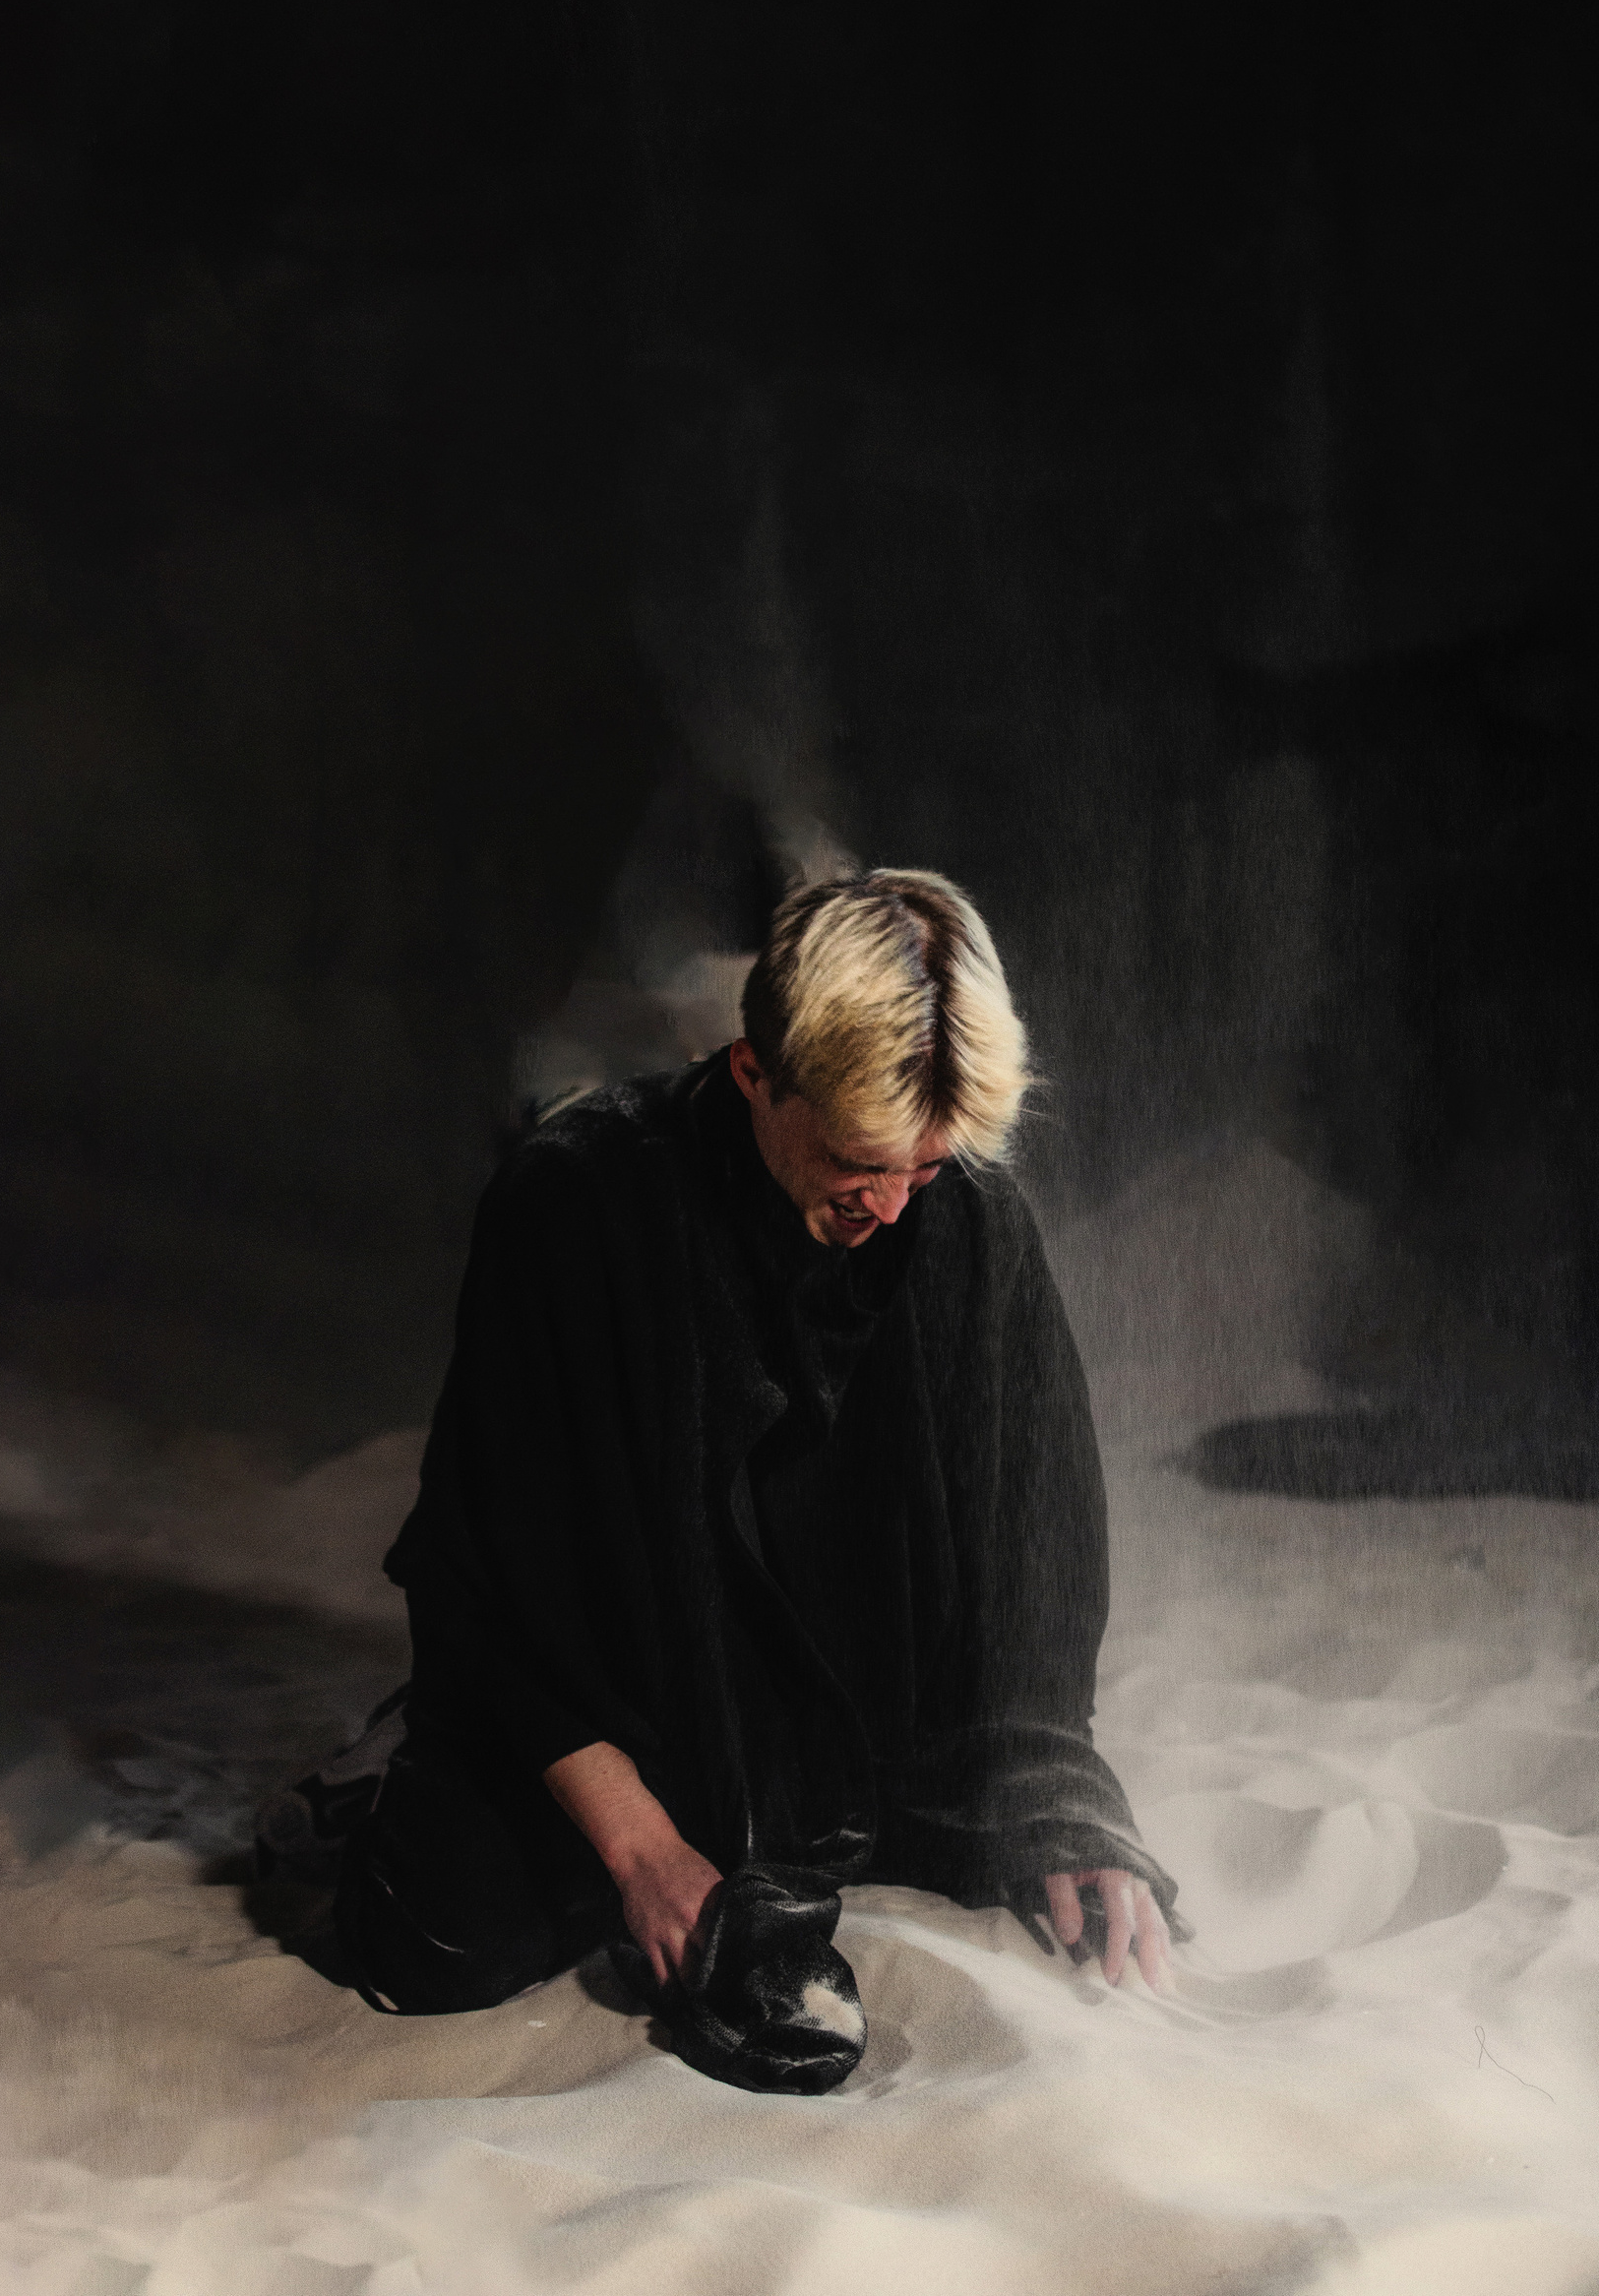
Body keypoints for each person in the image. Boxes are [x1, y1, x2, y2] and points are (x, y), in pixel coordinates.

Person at [257, 868, 1179, 2090]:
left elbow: (1036, 1543)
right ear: (755, 1074)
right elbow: (477, 1564)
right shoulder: (572, 1201)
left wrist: (1062, 1795)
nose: (891, 1205)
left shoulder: (965, 1213)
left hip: (841, 1683)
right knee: (441, 1945)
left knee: (994, 1852)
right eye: (858, 1162)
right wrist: (641, 1848)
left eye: (924, 1168)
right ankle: (394, 1752)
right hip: (625, 1671)